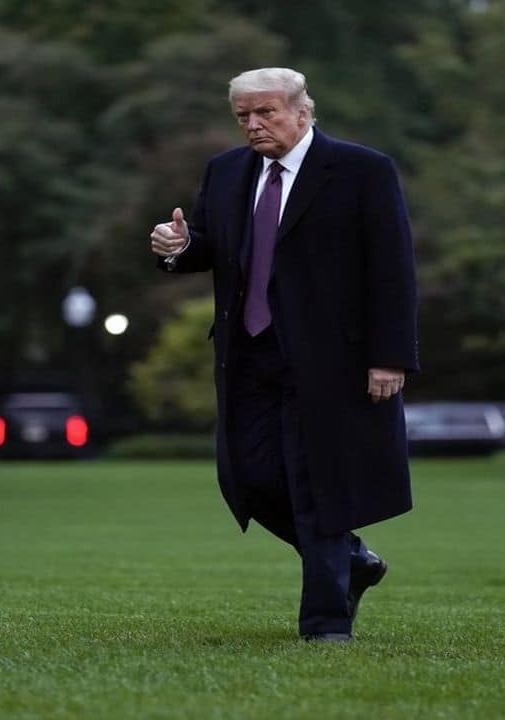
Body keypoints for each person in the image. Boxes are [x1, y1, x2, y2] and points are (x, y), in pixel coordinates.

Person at [149, 67, 418, 642]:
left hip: (330, 361)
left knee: (315, 482)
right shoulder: (225, 172)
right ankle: (353, 559)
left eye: (266, 112)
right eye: (243, 115)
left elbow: (392, 269)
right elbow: (214, 247)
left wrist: (390, 356)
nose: (254, 124)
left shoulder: (362, 171)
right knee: (248, 477)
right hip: (247, 355)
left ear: (304, 111)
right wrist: (179, 247)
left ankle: (325, 624)